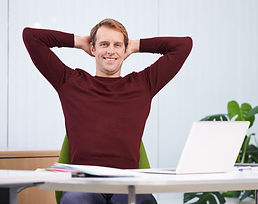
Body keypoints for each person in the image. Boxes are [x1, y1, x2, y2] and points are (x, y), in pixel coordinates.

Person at [22, 18, 192, 204]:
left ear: (124, 50)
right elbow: (31, 37)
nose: (111, 51)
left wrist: (134, 45)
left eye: (117, 45)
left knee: (144, 201)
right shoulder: (70, 82)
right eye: (104, 44)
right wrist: (79, 42)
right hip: (84, 186)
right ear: (93, 48)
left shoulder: (143, 85)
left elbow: (183, 45)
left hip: (127, 185)